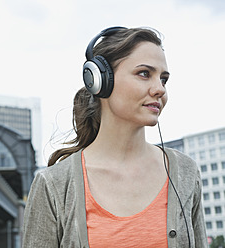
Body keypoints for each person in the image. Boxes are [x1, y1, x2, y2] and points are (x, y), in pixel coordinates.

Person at [22, 27, 208, 247]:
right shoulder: (54, 185)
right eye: (144, 74)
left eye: (164, 79)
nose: (159, 89)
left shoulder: (186, 172)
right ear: (100, 81)